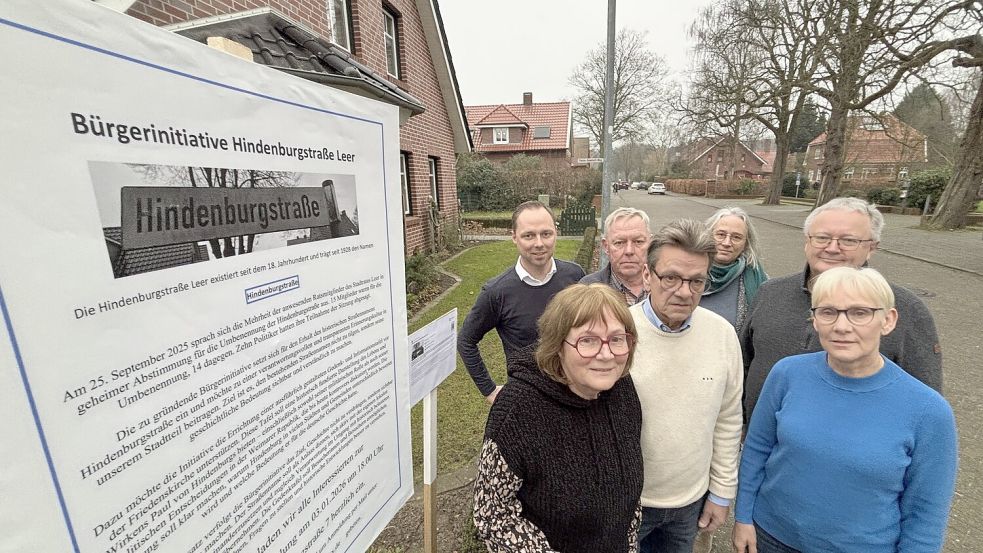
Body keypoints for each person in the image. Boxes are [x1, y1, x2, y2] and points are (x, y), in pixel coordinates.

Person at [733, 267, 957, 552]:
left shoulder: (928, 410)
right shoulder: (787, 374)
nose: (841, 326)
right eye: (828, 312)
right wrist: (743, 518)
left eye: (859, 313)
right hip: (770, 537)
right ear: (814, 319)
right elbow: (757, 449)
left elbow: (926, 511)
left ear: (888, 320)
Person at [473, 283, 644, 552]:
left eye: (616, 339)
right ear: (558, 345)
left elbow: (629, 496)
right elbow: (492, 515)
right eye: (587, 340)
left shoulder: (621, 389)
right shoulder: (517, 409)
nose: (606, 354)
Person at [741, 197, 942, 420]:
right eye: (822, 238)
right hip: (763, 442)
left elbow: (925, 400)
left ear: (871, 248)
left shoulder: (906, 308)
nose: (832, 248)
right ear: (807, 241)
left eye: (848, 240)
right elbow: (744, 364)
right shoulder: (770, 293)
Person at [630, 219, 743, 553]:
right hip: (627, 503)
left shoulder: (722, 334)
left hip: (690, 503)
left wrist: (722, 492)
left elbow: (727, 419)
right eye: (671, 277)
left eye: (696, 281)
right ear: (648, 276)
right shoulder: (619, 333)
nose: (684, 291)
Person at [458, 201, 585, 403]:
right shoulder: (497, 292)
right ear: (514, 237)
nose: (539, 243)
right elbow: (466, 341)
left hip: (577, 393)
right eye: (528, 235)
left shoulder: (575, 275)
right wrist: (489, 390)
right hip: (528, 401)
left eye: (546, 234)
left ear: (555, 233)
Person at [700, 207, 767, 331]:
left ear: (746, 244)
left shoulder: (757, 279)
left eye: (736, 237)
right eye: (720, 234)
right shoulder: (689, 270)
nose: (726, 243)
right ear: (709, 235)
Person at [581, 207, 653, 305]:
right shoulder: (587, 290)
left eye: (638, 242)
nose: (629, 251)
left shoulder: (668, 286)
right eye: (619, 243)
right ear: (606, 246)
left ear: (651, 243)